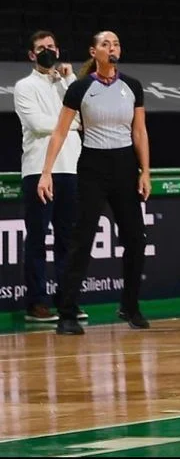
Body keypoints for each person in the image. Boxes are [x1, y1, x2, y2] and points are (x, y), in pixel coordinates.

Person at [38, 31, 152, 335]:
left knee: (136, 240)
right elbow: (60, 132)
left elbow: (139, 132)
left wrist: (145, 171)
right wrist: (46, 172)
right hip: (92, 167)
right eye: (105, 44)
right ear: (94, 51)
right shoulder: (80, 88)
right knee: (82, 240)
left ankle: (130, 306)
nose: (111, 48)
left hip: (126, 166)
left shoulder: (133, 87)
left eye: (115, 43)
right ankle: (67, 312)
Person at [14, 31, 81, 323]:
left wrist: (68, 80)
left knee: (68, 240)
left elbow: (84, 113)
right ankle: (36, 303)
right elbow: (37, 123)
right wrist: (71, 122)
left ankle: (67, 302)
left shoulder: (65, 84)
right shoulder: (24, 86)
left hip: (71, 168)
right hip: (39, 170)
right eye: (41, 48)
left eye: (52, 47)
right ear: (32, 55)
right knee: (38, 238)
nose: (48, 51)